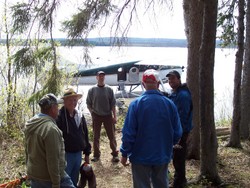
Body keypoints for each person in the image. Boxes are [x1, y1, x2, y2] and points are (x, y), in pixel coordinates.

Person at [120, 69, 183, 188]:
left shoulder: (135, 105)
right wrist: (169, 144)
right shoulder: (169, 104)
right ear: (158, 84)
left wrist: (124, 153)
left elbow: (129, 133)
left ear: (143, 85)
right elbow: (178, 132)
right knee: (161, 184)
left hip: (140, 156)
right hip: (162, 154)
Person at [24, 93, 75, 188]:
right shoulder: (50, 129)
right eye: (57, 107)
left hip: (35, 176)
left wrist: (29, 171)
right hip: (49, 178)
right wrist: (56, 183)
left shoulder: (30, 124)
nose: (59, 110)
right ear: (52, 108)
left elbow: (27, 151)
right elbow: (53, 160)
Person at [56, 88, 91, 187]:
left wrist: (87, 152)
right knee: (65, 180)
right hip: (66, 155)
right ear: (65, 101)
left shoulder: (79, 115)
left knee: (75, 179)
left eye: (75, 100)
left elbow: (85, 134)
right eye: (70, 100)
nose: (73, 102)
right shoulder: (59, 116)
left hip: (78, 153)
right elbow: (56, 138)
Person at [166, 70, 193, 188]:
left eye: (173, 79)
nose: (170, 81)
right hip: (176, 131)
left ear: (178, 79)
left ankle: (180, 182)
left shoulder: (183, 95)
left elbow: (183, 116)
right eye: (169, 79)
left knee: (179, 158)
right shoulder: (176, 93)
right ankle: (179, 180)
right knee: (176, 156)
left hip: (181, 132)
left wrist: (179, 135)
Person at [86, 70, 119, 162]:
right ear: (97, 77)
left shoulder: (109, 89)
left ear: (104, 77)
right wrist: (92, 113)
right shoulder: (92, 90)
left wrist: (114, 116)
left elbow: (113, 104)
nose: (101, 77)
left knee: (111, 136)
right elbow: (88, 103)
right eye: (100, 76)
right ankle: (96, 155)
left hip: (108, 116)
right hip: (96, 116)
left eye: (103, 76)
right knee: (96, 137)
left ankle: (115, 154)